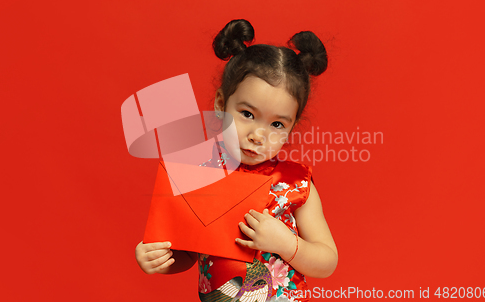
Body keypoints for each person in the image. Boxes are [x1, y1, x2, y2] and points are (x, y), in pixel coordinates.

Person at [135, 19, 338, 302]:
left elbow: (327, 260)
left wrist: (286, 244)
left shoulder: (295, 183)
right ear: (221, 104)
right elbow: (188, 254)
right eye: (247, 114)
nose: (258, 135)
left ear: (292, 126)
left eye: (277, 124)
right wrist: (159, 257)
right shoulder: (201, 174)